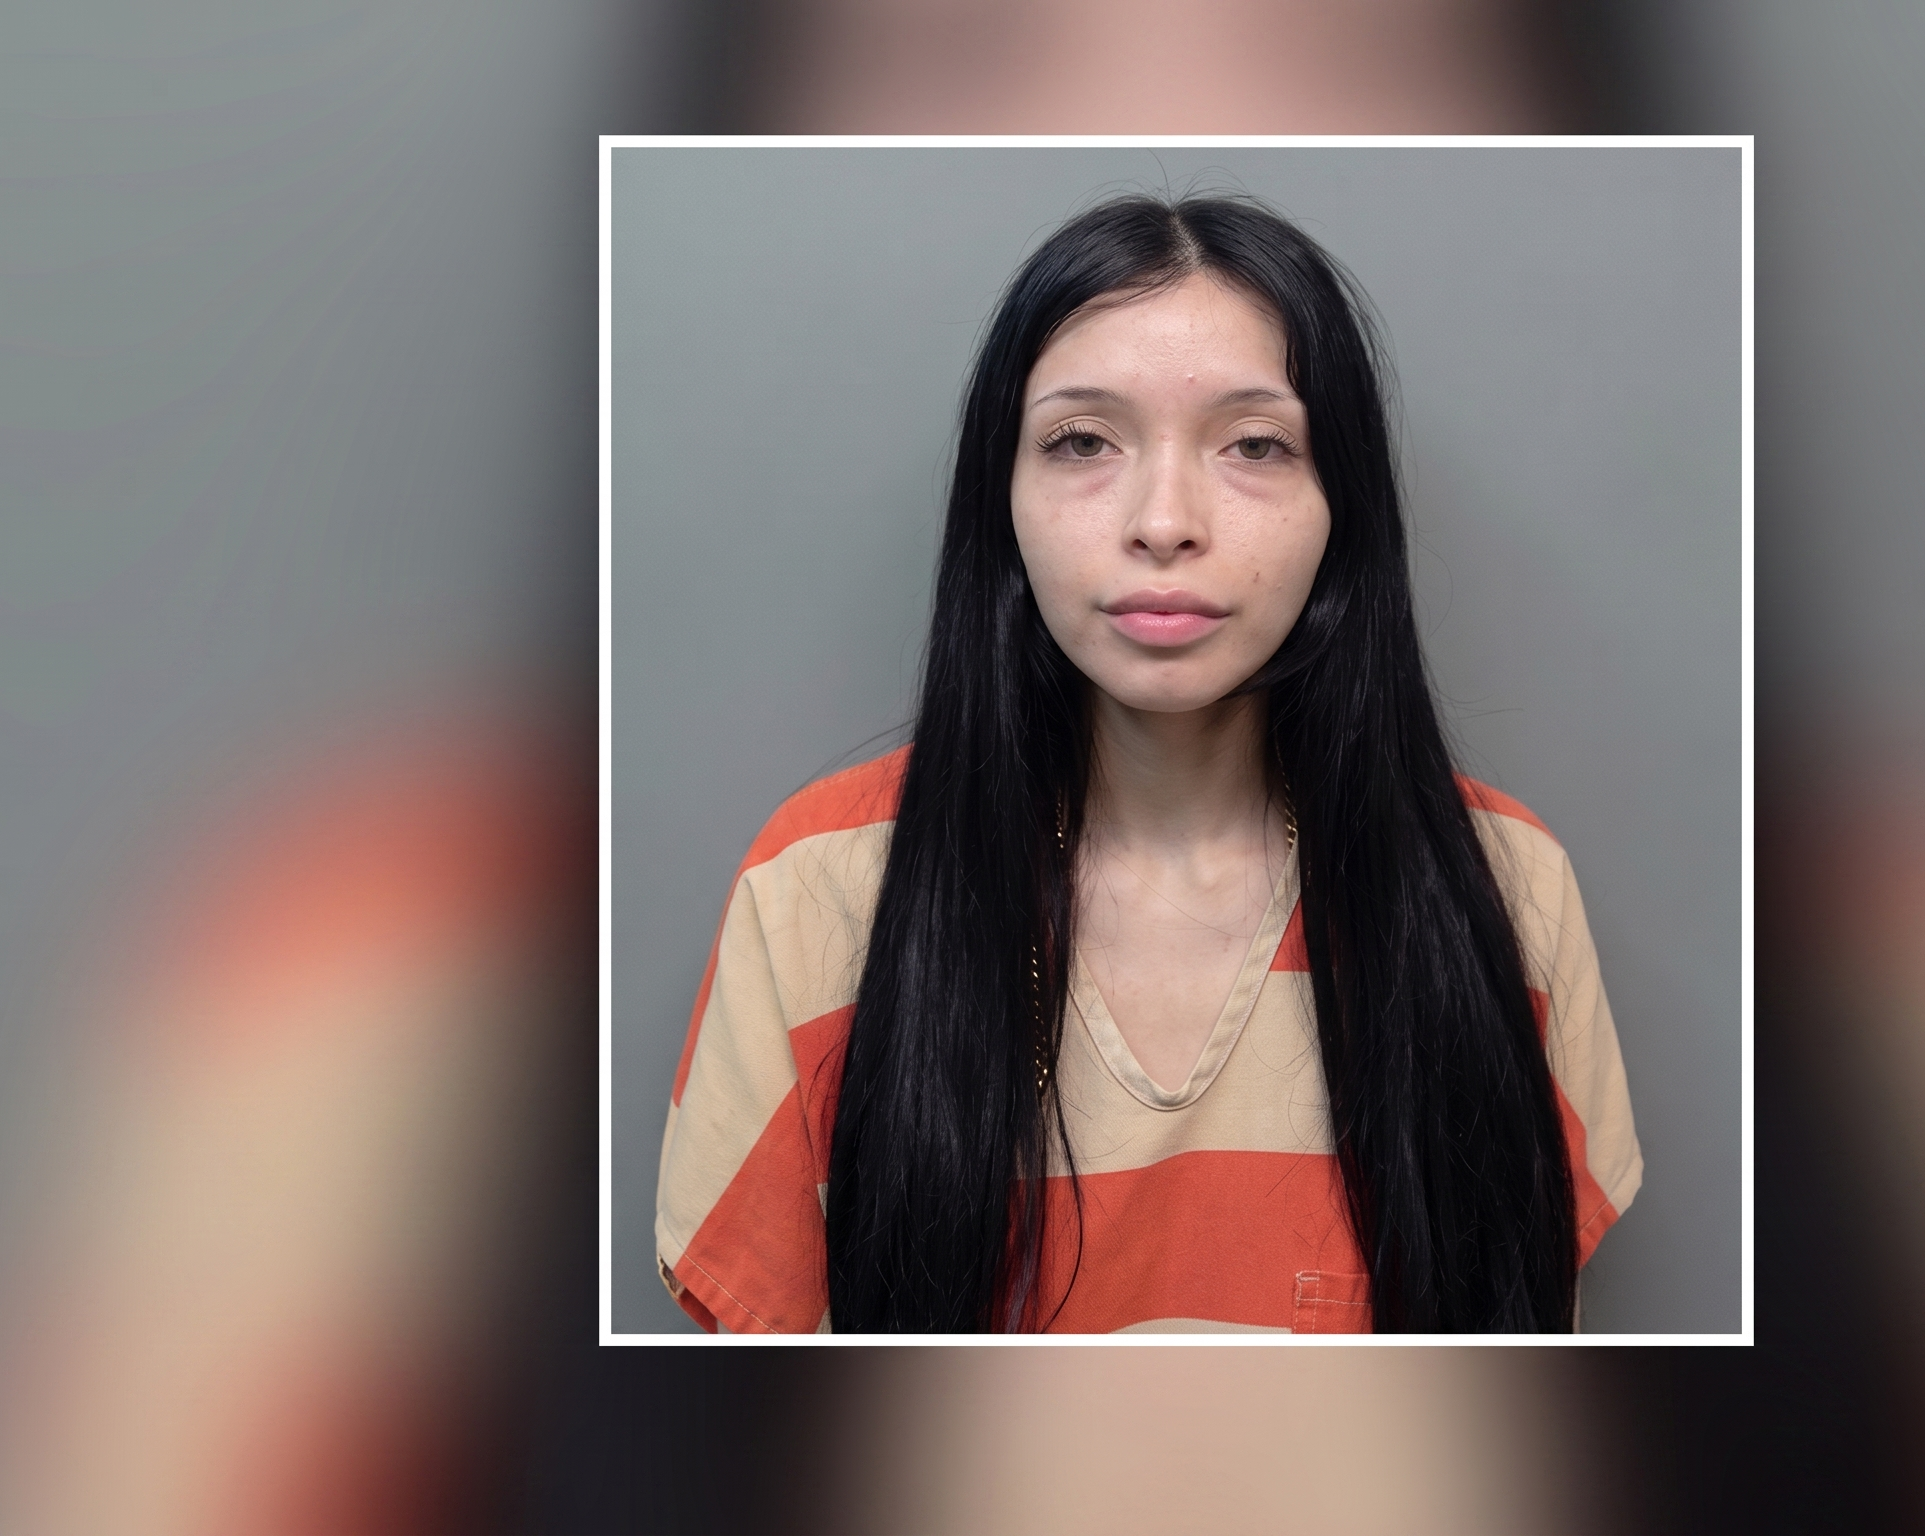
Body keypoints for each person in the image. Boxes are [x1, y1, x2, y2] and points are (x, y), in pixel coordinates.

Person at [654, 194, 1639, 1333]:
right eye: (1081, 441)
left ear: (1342, 509)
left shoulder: (1503, 884)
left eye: (1255, 444)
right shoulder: (820, 889)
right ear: (1002, 501)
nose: (1163, 520)